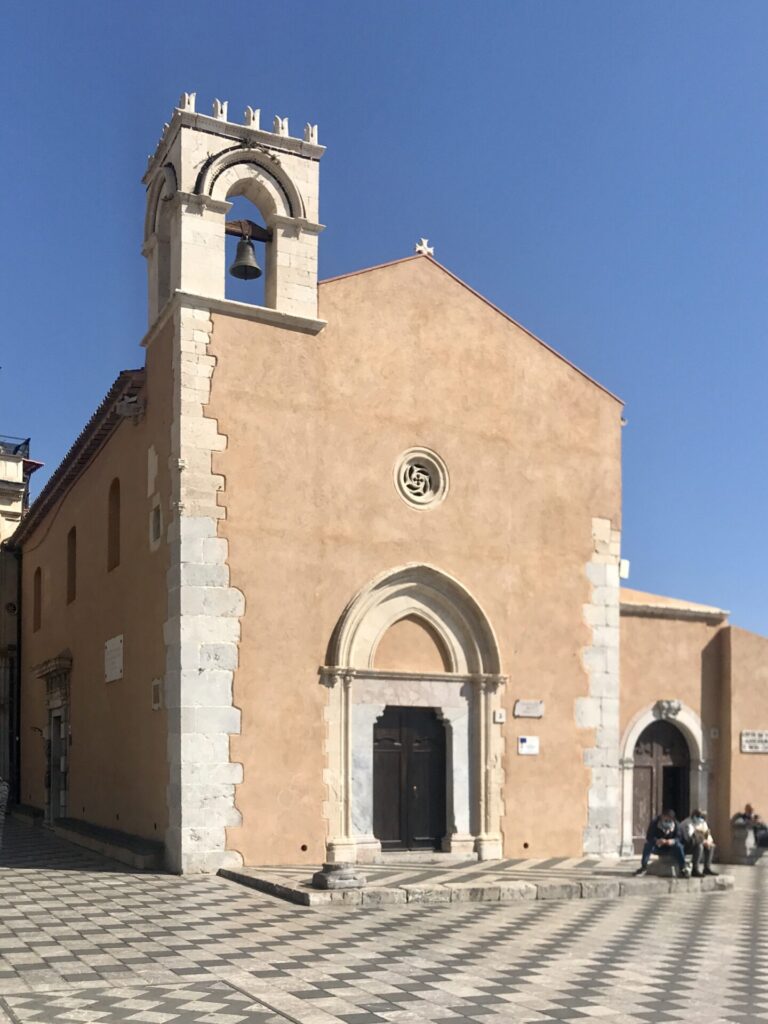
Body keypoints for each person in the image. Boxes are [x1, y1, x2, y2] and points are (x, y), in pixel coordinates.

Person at [635, 809, 690, 877]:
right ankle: (644, 867)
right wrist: (657, 840)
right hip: (658, 847)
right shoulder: (655, 823)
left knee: (679, 846)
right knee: (648, 845)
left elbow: (680, 838)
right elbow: (649, 836)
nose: (667, 820)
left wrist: (672, 841)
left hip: (671, 848)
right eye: (665, 818)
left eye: (669, 819)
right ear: (662, 817)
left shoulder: (676, 825)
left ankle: (683, 868)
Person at [681, 809, 717, 877]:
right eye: (700, 817)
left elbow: (707, 834)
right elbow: (689, 837)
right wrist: (703, 842)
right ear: (694, 816)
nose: (701, 820)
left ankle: (707, 868)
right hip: (687, 845)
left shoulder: (703, 823)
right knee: (699, 846)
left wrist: (709, 841)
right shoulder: (687, 823)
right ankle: (695, 869)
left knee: (711, 846)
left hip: (699, 842)